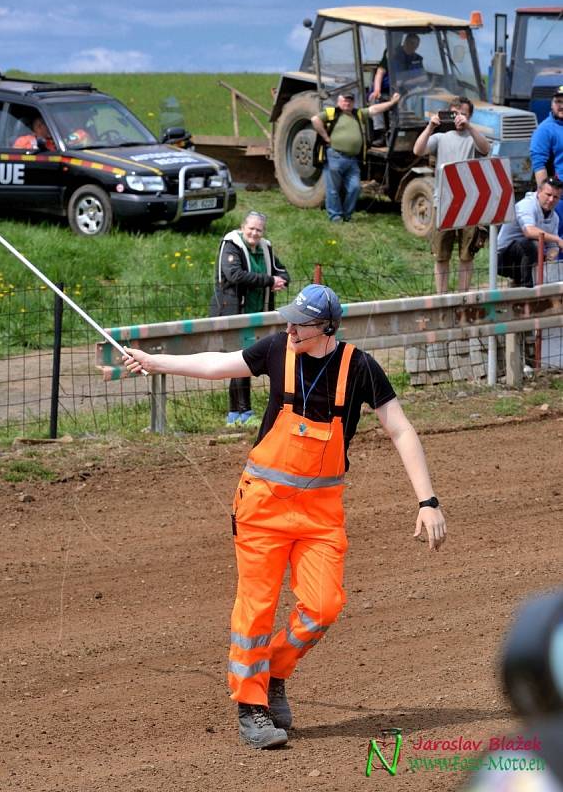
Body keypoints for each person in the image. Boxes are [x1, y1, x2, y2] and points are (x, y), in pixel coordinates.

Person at [123, 283, 447, 750]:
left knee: (324, 606)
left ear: (328, 328)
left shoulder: (359, 367)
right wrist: (157, 363)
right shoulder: (278, 348)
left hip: (320, 515)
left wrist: (427, 501)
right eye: (289, 319)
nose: (290, 328)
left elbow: (400, 429)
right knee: (255, 608)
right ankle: (251, 706)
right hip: (261, 508)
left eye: (301, 323)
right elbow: (218, 363)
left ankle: (274, 670)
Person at [209, 211, 290, 425]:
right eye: (251, 228)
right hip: (234, 313)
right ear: (242, 227)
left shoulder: (265, 247)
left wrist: (281, 280)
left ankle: (239, 413)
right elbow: (234, 275)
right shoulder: (231, 245)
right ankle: (240, 412)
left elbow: (281, 271)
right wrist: (269, 280)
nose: (254, 233)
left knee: (246, 360)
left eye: (259, 230)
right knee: (241, 360)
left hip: (257, 314)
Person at [413, 96, 491, 293]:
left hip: (469, 203)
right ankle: (442, 297)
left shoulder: (473, 138)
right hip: (445, 201)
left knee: (467, 254)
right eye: (455, 114)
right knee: (441, 253)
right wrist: (430, 127)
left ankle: (463, 296)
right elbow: (418, 150)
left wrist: (470, 127)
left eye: (463, 114)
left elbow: (486, 149)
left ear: (469, 116)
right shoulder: (441, 137)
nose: (458, 118)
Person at [311, 91, 401, 222]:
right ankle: (335, 216)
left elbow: (374, 109)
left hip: (352, 159)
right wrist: (325, 137)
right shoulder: (332, 113)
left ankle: (347, 214)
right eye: (344, 100)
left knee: (355, 188)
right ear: (338, 102)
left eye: (350, 101)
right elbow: (315, 119)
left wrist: (392, 103)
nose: (347, 103)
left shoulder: (357, 114)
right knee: (333, 190)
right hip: (334, 156)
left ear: (353, 103)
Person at [497, 178, 563, 287]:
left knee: (542, 252)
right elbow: (529, 231)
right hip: (503, 258)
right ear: (539, 191)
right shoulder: (526, 205)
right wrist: (558, 239)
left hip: (525, 258)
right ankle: (528, 290)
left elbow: (553, 246)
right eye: (548, 194)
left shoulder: (554, 217)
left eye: (555, 197)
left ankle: (521, 286)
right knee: (533, 244)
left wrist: (551, 255)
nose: (551, 199)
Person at [368, 33, 424, 144]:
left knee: (413, 100)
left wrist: (405, 82)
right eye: (411, 42)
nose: (413, 46)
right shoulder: (392, 54)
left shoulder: (417, 59)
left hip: (404, 92)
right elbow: (380, 71)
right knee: (375, 99)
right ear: (405, 42)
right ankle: (380, 133)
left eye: (415, 44)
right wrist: (377, 89)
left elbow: (421, 78)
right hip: (385, 91)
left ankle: (408, 134)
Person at [530, 85, 563, 238]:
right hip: (559, 199)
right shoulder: (545, 130)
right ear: (552, 104)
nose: (561, 105)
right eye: (558, 101)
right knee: (557, 245)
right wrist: (547, 198)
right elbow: (539, 165)